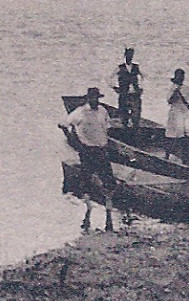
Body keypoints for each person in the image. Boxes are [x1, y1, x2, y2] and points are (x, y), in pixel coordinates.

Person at [61, 86, 116, 232]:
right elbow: (65, 124)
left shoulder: (103, 111)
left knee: (110, 183)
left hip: (101, 150)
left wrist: (105, 141)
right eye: (92, 98)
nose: (94, 101)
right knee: (85, 183)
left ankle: (108, 216)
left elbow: (107, 127)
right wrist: (75, 141)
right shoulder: (80, 112)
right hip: (87, 151)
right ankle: (88, 212)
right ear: (88, 98)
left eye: (96, 98)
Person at [164, 68, 189, 163]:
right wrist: (175, 92)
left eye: (182, 76)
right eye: (179, 77)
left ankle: (184, 156)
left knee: (185, 135)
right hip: (174, 113)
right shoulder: (173, 88)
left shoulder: (187, 88)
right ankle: (167, 155)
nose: (181, 78)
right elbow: (169, 100)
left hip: (185, 113)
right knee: (171, 135)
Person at [114, 48, 143, 133]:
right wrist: (115, 87)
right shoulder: (120, 68)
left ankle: (135, 131)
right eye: (128, 55)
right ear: (125, 56)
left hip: (134, 94)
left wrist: (141, 88)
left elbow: (144, 77)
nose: (129, 57)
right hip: (124, 93)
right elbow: (110, 78)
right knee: (123, 113)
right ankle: (124, 130)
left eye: (131, 55)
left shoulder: (136, 67)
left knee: (136, 114)